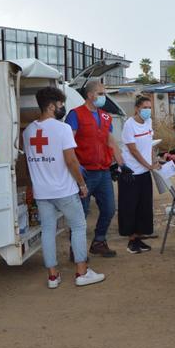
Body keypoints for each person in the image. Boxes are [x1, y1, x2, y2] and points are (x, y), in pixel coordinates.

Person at [23, 87, 105, 288]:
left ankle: (52, 276)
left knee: (48, 231)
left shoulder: (28, 132)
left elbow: (29, 163)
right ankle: (82, 272)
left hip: (42, 192)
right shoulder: (62, 129)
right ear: (51, 106)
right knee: (78, 226)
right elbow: (71, 161)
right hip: (64, 190)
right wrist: (82, 184)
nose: (62, 109)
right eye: (60, 105)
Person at [66, 79, 124, 258]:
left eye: (104, 93)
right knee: (80, 214)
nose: (103, 97)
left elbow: (110, 141)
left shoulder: (106, 116)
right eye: (100, 93)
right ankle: (76, 249)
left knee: (109, 209)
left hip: (104, 172)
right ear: (90, 95)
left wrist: (122, 164)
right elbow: (68, 143)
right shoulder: (75, 115)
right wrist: (76, 170)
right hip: (84, 173)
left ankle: (99, 241)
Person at [119, 95, 161, 254]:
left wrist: (154, 161)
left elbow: (149, 144)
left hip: (144, 172)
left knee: (144, 206)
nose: (148, 110)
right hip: (132, 172)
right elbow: (133, 150)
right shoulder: (129, 125)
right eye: (145, 107)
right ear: (137, 109)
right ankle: (131, 241)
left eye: (149, 107)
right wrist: (148, 165)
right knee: (130, 207)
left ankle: (139, 237)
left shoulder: (148, 122)